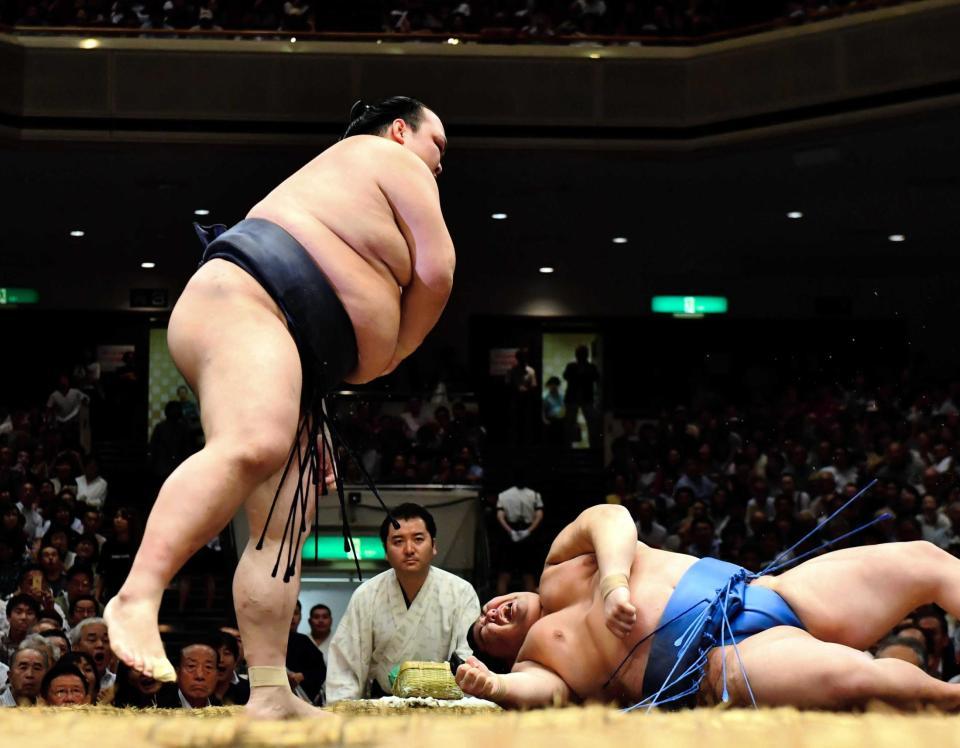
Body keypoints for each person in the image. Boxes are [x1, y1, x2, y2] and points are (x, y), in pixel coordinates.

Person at [105, 95, 453, 720]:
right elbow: (437, 273)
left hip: (290, 350)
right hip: (248, 300)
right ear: (401, 130)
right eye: (438, 146)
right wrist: (393, 352)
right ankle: (137, 594)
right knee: (253, 443)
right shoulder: (386, 156)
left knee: (282, 525)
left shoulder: (360, 192)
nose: (439, 164)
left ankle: (269, 688)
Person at [456, 504, 960, 711]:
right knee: (861, 676)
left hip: (767, 591)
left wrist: (612, 584)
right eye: (486, 632)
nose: (491, 615)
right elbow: (535, 690)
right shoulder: (537, 658)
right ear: (505, 652)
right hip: (722, 661)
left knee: (924, 559)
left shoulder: (557, 566)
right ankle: (950, 694)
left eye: (487, 608)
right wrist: (494, 685)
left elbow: (613, 519)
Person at [326, 503, 479, 702]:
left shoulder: (460, 592)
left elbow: (468, 659)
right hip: (384, 708)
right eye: (398, 541)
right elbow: (346, 664)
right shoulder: (366, 595)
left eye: (418, 539)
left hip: (444, 707)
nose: (409, 549)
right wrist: (343, 715)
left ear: (433, 545)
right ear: (386, 550)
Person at [495, 475, 545, 595]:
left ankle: (499, 603)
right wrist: (528, 530)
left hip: (510, 533)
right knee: (527, 573)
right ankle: (531, 605)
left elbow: (500, 515)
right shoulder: (534, 494)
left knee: (505, 572)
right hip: (526, 533)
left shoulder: (504, 494)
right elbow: (539, 514)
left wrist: (510, 530)